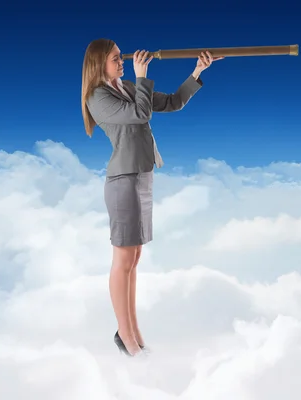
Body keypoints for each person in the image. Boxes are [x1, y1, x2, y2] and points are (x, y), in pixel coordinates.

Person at [81, 38, 222, 357]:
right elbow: (141, 114)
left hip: (142, 176)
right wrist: (141, 74)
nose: (122, 61)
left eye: (121, 57)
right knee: (122, 260)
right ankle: (126, 335)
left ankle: (131, 331)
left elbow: (172, 102)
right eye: (116, 58)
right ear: (99, 63)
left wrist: (198, 70)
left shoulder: (126, 87)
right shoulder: (97, 96)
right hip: (123, 181)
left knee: (133, 259)